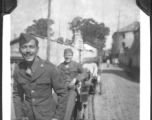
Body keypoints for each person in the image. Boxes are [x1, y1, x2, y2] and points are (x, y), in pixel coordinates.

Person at [13, 33, 68, 120]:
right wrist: (20, 117)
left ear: (37, 49)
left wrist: (58, 117)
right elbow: (17, 95)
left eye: (31, 47)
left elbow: (63, 93)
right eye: (24, 47)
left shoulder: (50, 68)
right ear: (20, 50)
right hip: (28, 116)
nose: (28, 51)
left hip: (48, 116)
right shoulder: (18, 69)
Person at [58, 48, 88, 120]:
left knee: (69, 103)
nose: (67, 57)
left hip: (72, 89)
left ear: (72, 56)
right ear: (63, 55)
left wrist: (76, 79)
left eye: (69, 55)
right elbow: (54, 75)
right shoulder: (60, 66)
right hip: (62, 89)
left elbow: (85, 73)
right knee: (52, 99)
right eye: (66, 55)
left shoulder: (76, 65)